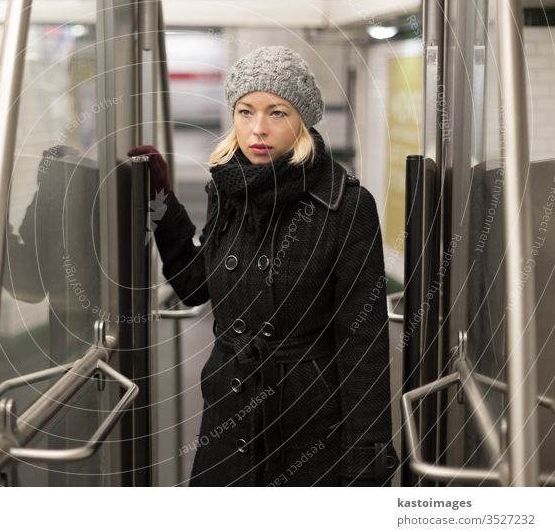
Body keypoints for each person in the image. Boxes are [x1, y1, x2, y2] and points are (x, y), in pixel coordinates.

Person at [128, 46, 397, 487]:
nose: (258, 129)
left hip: (307, 423)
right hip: (229, 410)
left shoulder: (345, 206)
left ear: (303, 121)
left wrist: (365, 465)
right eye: (245, 111)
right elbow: (196, 286)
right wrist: (162, 205)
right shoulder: (228, 191)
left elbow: (362, 345)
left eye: (277, 113)